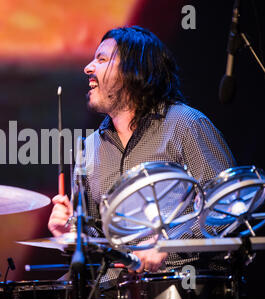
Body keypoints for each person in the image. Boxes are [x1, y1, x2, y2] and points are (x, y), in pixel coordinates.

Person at [47, 26, 236, 280]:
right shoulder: (87, 149)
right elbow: (97, 243)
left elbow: (231, 204)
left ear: (133, 70)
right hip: (115, 289)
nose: (88, 68)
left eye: (102, 59)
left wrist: (168, 244)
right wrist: (70, 231)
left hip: (181, 284)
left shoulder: (184, 124)